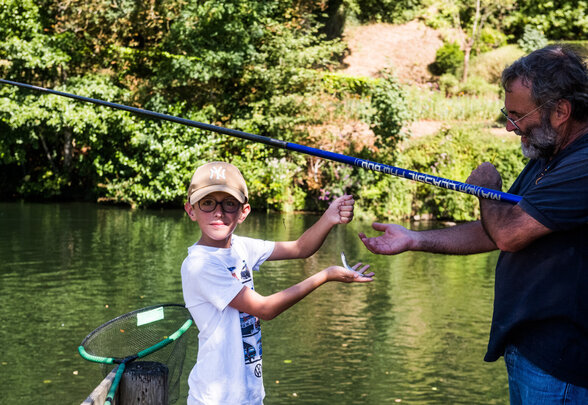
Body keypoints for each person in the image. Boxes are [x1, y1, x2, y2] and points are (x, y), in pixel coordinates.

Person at [359, 44, 588, 404]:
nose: (510, 127)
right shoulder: (549, 154)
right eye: (506, 113)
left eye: (517, 115)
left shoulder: (583, 164)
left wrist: (487, 190)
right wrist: (413, 238)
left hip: (561, 360)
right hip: (531, 351)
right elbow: (496, 229)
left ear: (560, 111)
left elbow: (508, 234)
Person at [181, 161, 373, 405]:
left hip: (248, 394)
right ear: (191, 210)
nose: (218, 212)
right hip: (215, 398)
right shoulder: (200, 264)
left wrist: (329, 216)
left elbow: (300, 248)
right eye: (207, 203)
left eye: (229, 203)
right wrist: (325, 276)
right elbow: (265, 309)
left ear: (244, 211)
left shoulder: (239, 246)